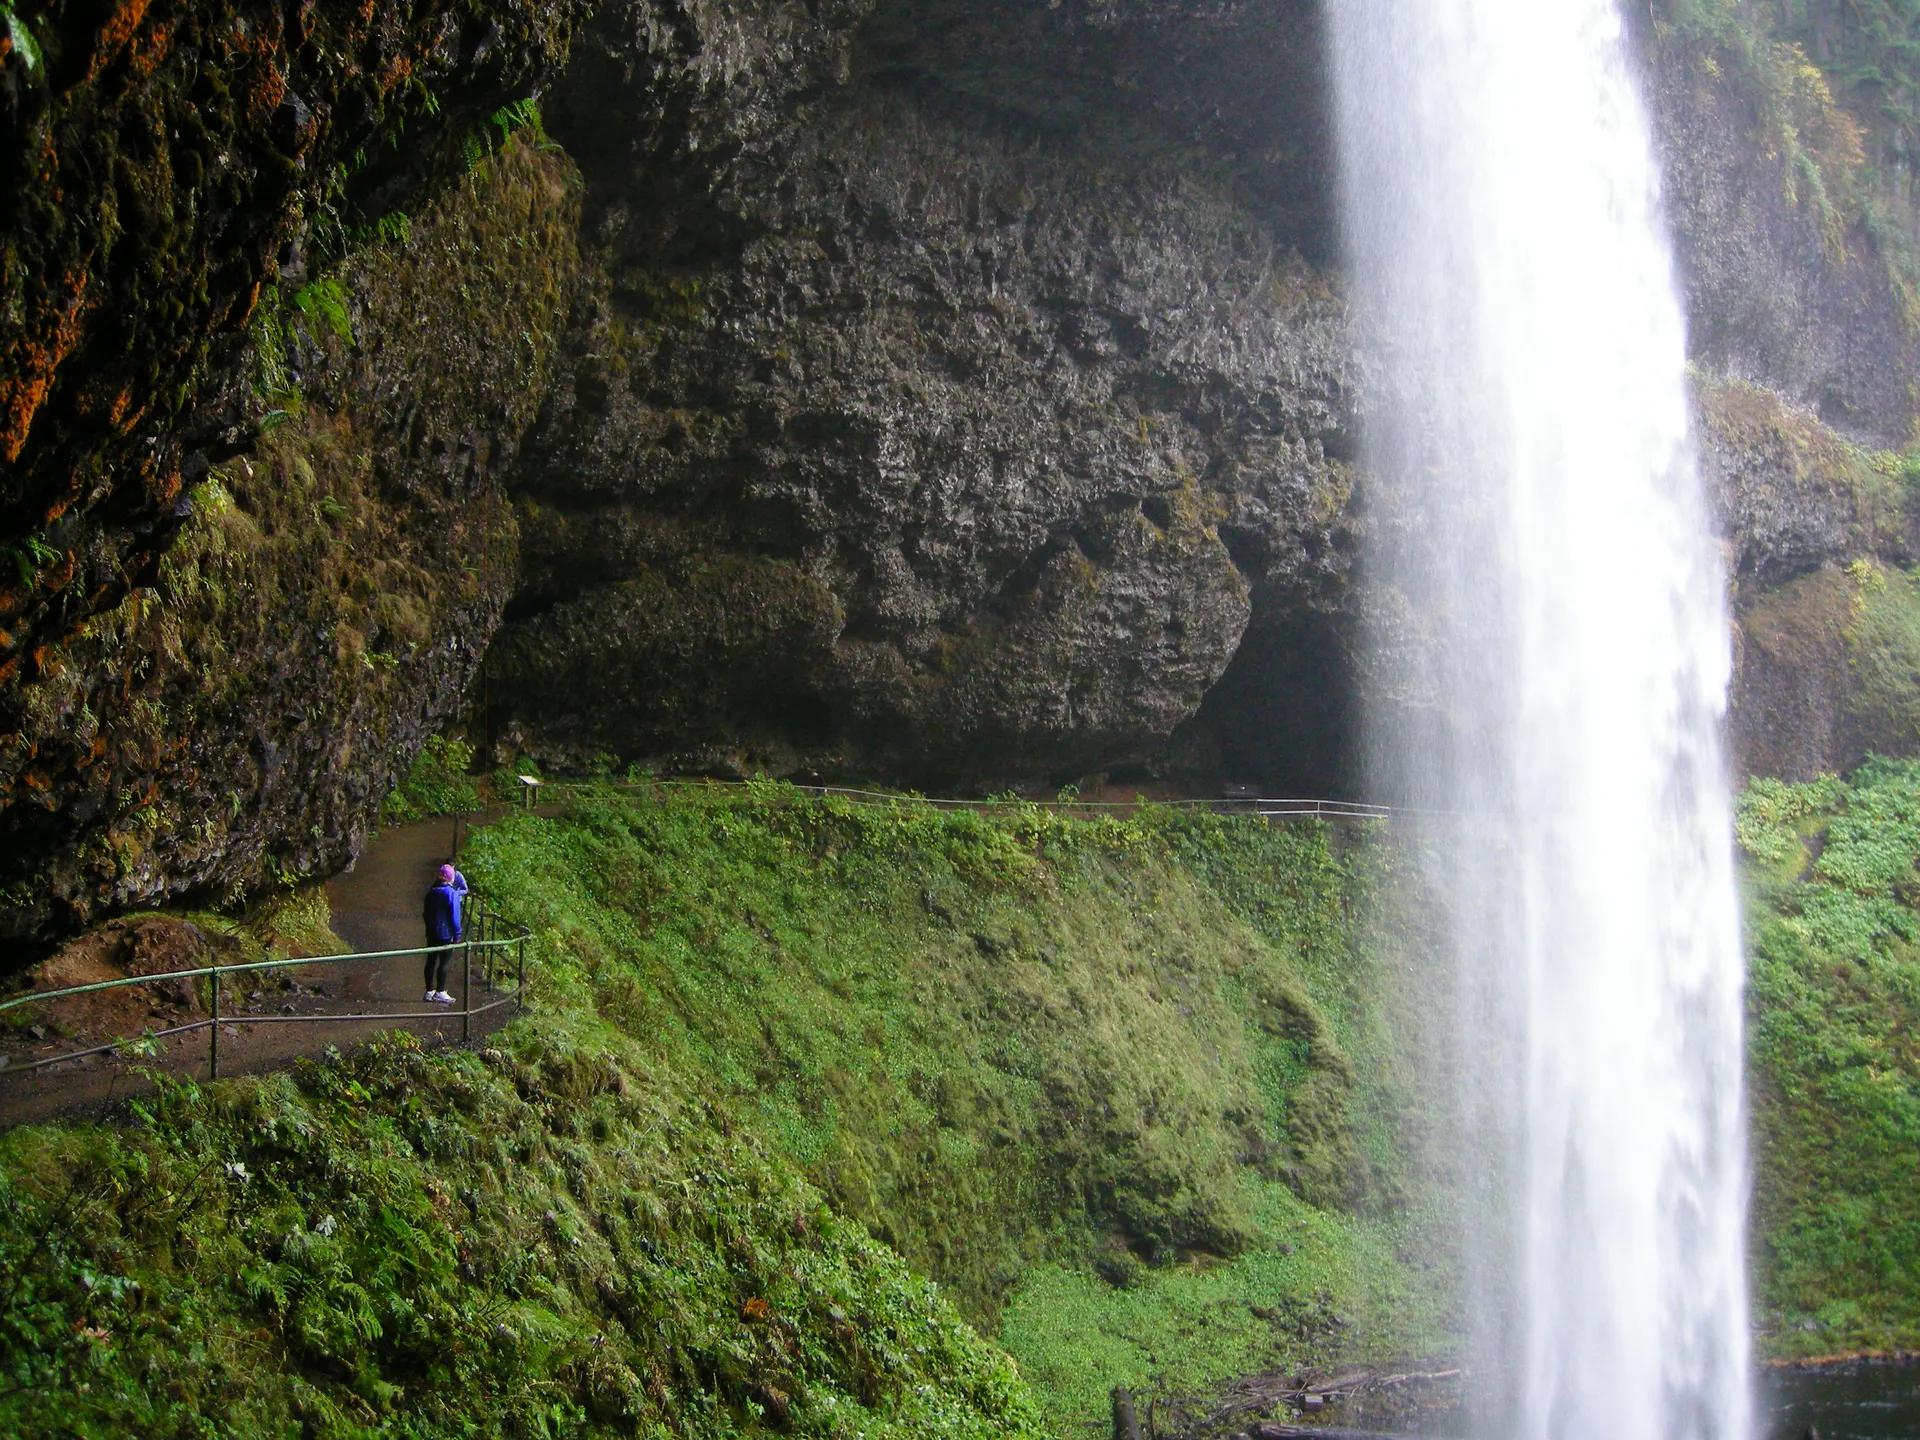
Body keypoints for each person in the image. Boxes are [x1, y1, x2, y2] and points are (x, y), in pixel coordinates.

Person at [421, 862, 468, 1005]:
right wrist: (457, 934)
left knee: (430, 961)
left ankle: (429, 991)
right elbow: (454, 917)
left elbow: (425, 913)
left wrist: (429, 929)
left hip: (432, 933)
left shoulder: (432, 891)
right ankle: (441, 991)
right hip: (446, 934)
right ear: (449, 877)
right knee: (444, 963)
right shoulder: (451, 893)